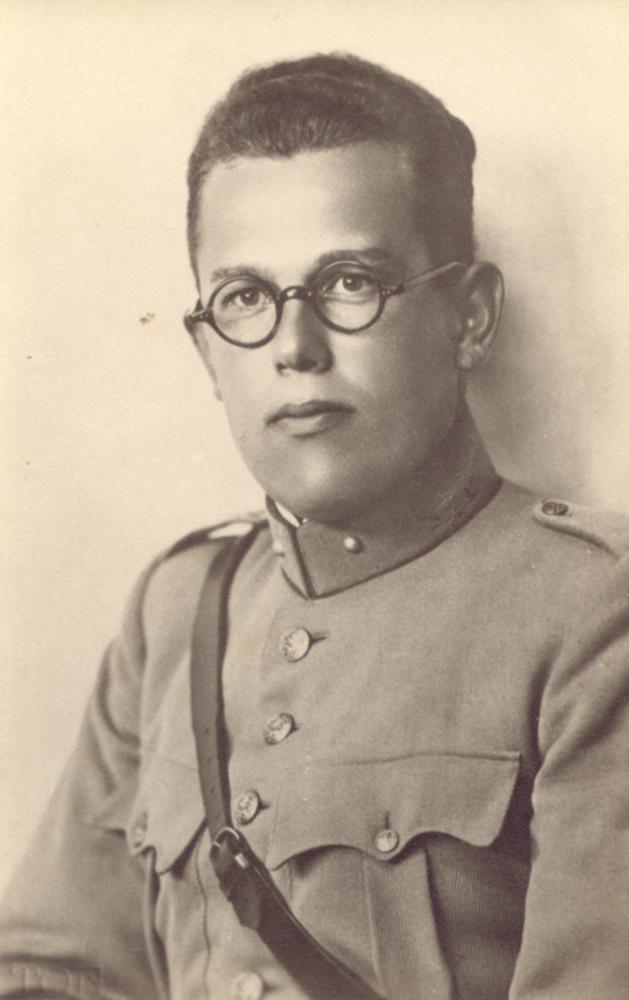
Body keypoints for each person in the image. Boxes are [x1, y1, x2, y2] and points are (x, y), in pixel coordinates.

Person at [1, 52, 628, 1000]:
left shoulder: (590, 615)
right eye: (245, 298)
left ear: (467, 317)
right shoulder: (178, 609)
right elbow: (51, 969)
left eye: (348, 282)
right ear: (207, 352)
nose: (295, 349)